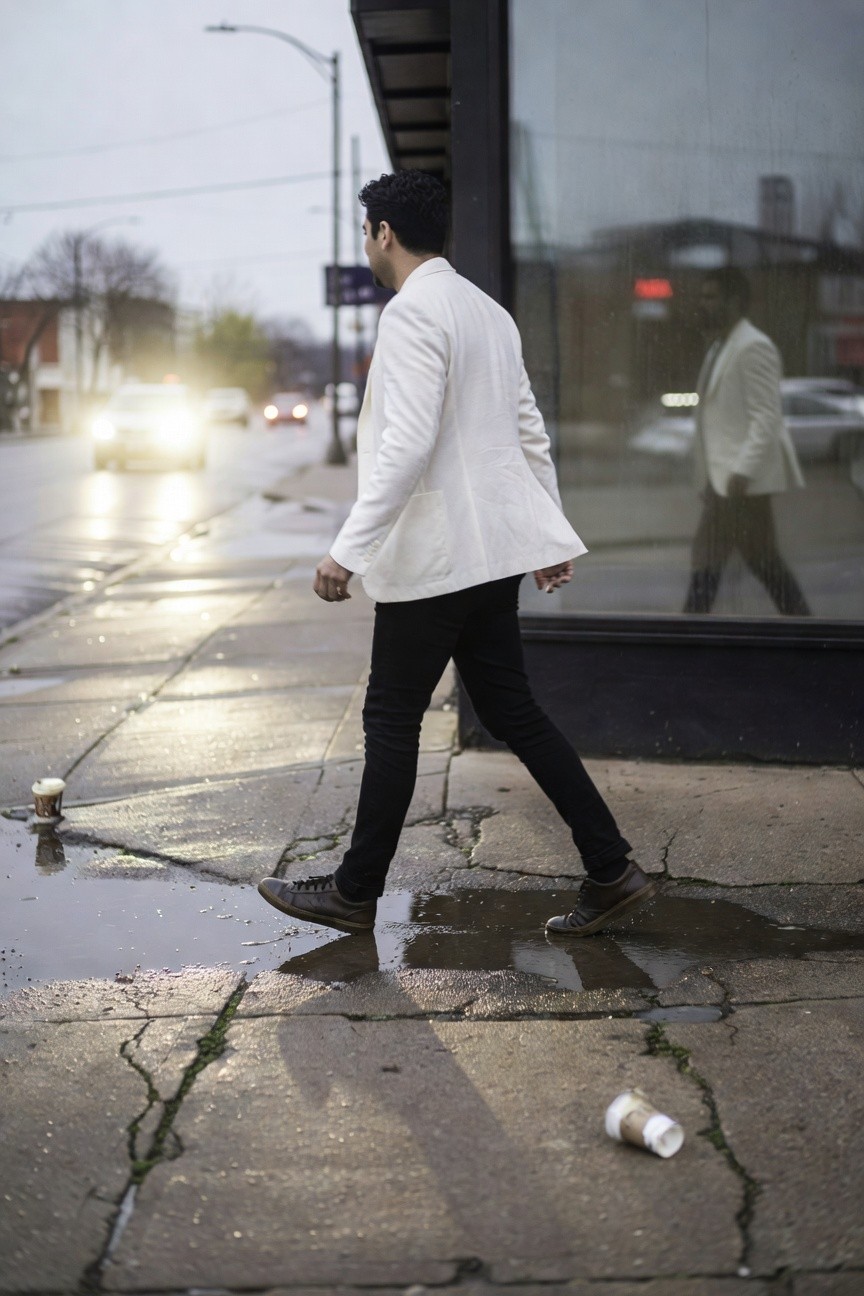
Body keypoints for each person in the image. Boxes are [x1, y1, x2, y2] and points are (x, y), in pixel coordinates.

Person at [258, 170, 657, 937]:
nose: (366, 244)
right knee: (514, 712)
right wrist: (543, 532)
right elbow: (527, 434)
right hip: (489, 557)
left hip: (439, 560)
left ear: (383, 234)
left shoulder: (413, 315)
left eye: (366, 232)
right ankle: (611, 869)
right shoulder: (488, 313)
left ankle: (352, 892)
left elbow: (406, 445)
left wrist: (347, 550)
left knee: (391, 719)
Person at [683, 268, 811, 616]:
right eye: (702, 296)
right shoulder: (720, 348)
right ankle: (804, 627)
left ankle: (685, 638)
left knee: (719, 562)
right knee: (753, 562)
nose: (703, 304)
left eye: (710, 297)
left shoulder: (753, 346)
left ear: (734, 301)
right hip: (725, 485)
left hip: (741, 485)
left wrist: (741, 471)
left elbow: (766, 417)